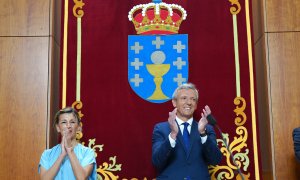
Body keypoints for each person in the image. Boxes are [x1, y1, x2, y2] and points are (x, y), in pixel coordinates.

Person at [152, 83, 222, 180]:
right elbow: (157, 161)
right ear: (174, 102)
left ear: (196, 105)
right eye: (184, 98)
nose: (189, 102)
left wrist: (203, 134)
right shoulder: (161, 129)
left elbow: (215, 160)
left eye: (193, 99)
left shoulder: (207, 129)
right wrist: (172, 135)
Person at [38, 107, 97, 180]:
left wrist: (70, 150)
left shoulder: (88, 153)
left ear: (78, 127)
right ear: (58, 128)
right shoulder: (47, 154)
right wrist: (62, 155)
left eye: (72, 122)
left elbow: (82, 178)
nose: (68, 126)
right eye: (64, 122)